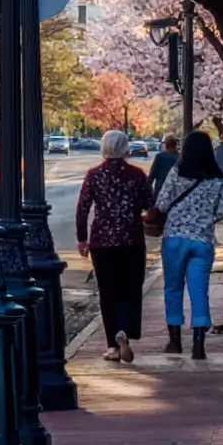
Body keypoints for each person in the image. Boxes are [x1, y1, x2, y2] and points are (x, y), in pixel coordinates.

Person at [75, 129, 154, 364]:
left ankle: (113, 345)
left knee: (108, 293)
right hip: (132, 241)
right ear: (126, 148)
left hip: (102, 244)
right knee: (130, 290)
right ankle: (125, 331)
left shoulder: (94, 175)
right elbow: (150, 205)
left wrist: (82, 239)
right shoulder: (137, 175)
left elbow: (82, 209)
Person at [154, 128, 223, 358]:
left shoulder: (177, 172)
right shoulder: (218, 178)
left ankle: (175, 341)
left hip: (175, 239)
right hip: (202, 241)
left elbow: (162, 202)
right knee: (199, 292)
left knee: (173, 288)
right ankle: (199, 345)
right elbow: (220, 212)